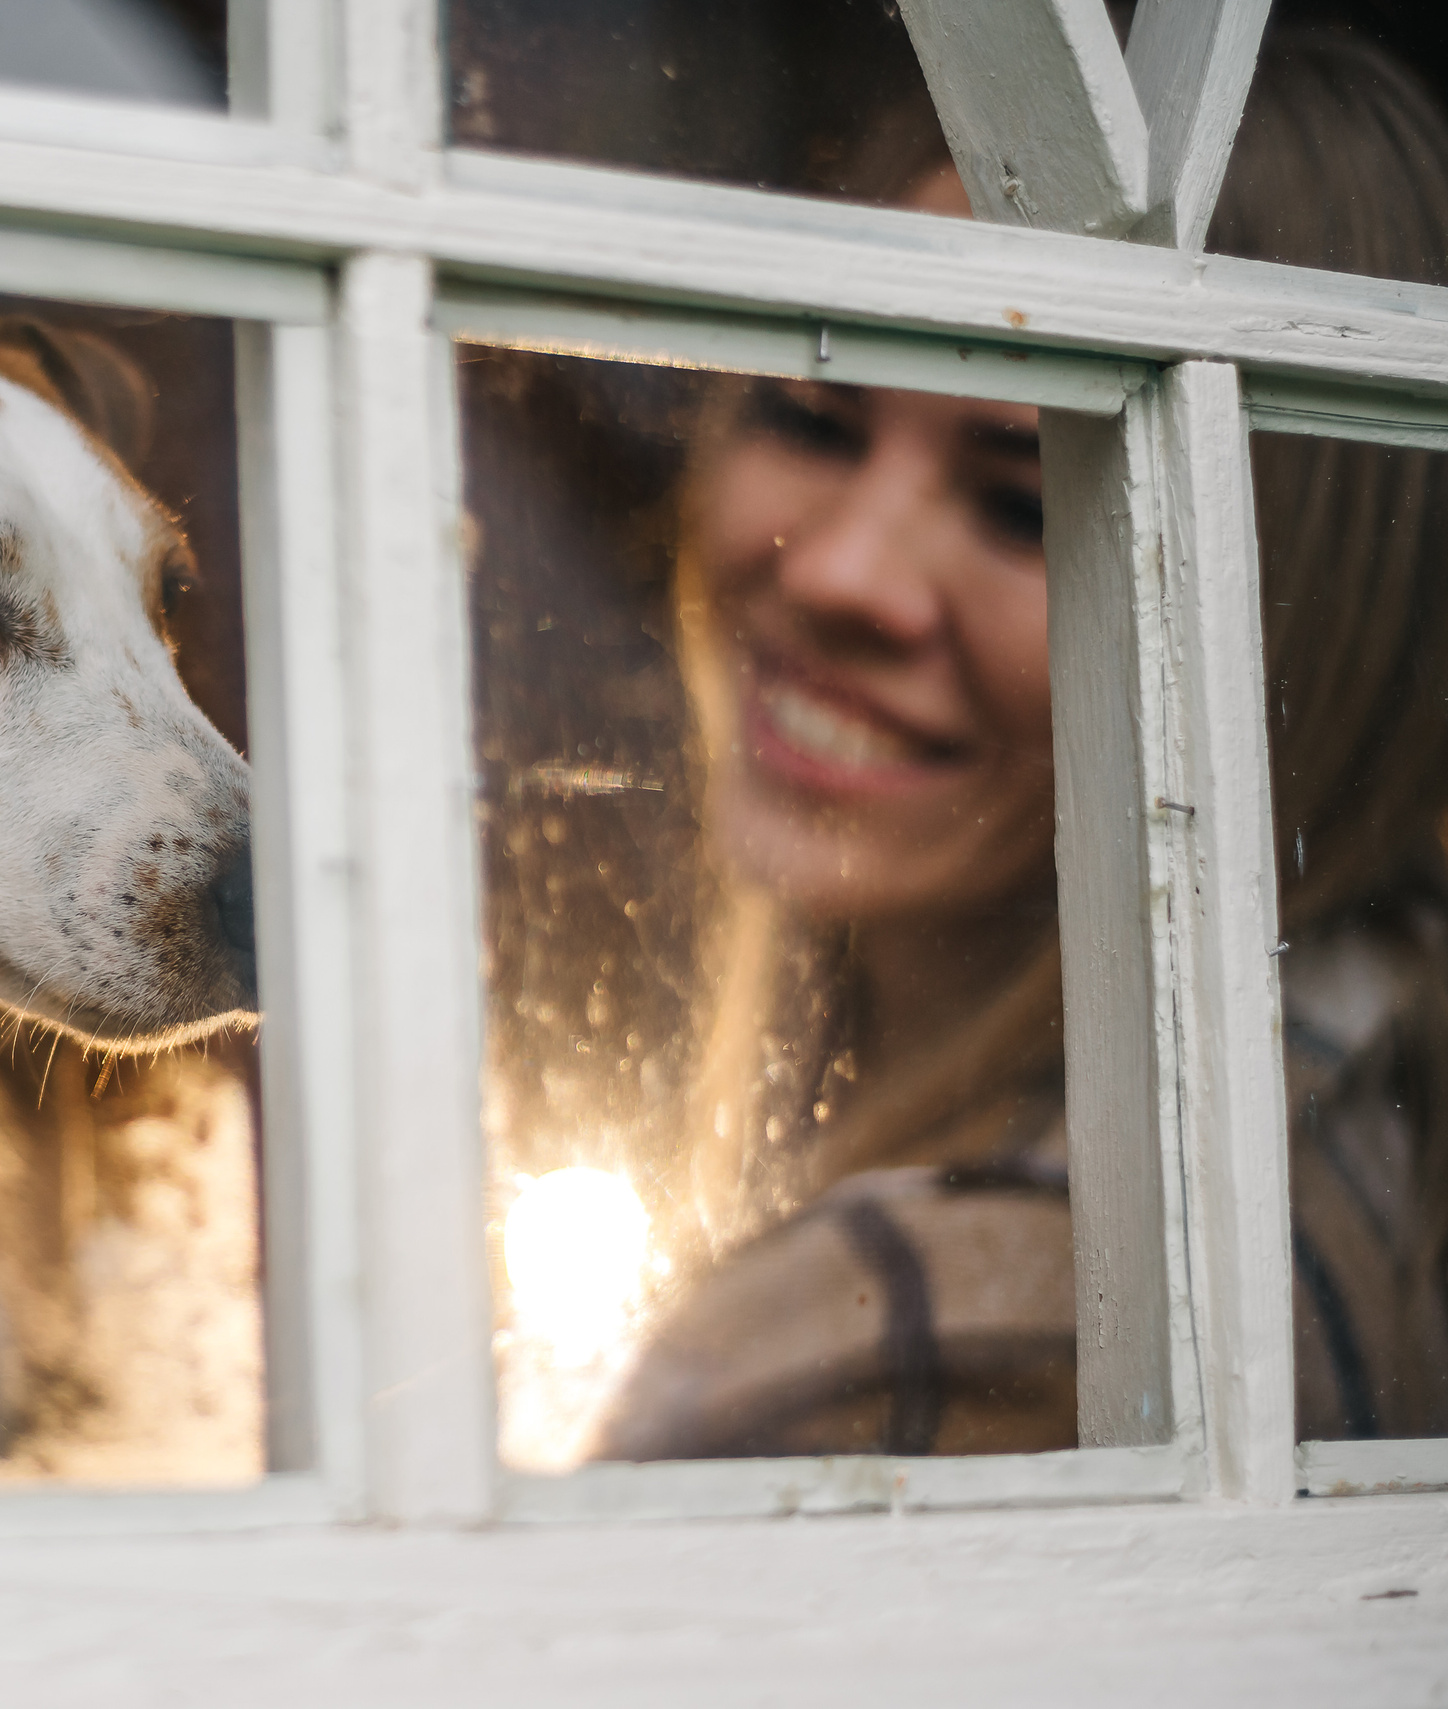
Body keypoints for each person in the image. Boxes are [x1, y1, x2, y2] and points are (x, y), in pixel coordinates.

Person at [595, 29, 1448, 1459]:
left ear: (1299, 637)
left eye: (1029, 506)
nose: (841, 571)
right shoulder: (1363, 1082)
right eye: (809, 415)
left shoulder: (981, 1354)